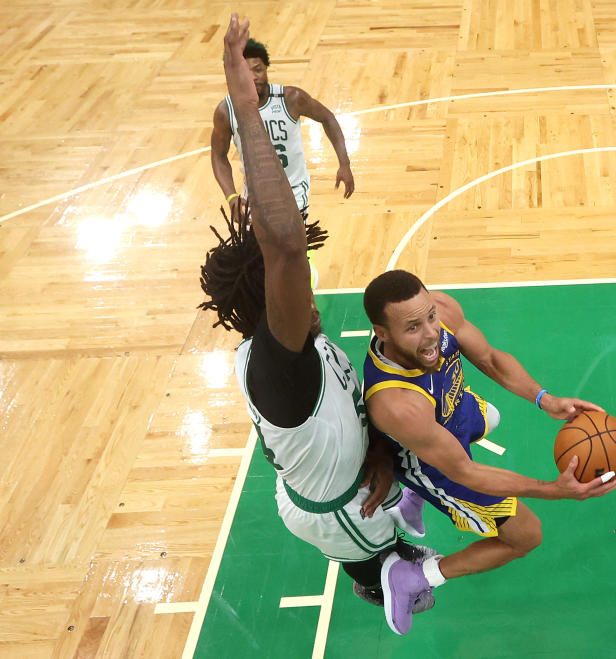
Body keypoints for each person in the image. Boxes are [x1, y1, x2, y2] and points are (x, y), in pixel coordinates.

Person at [199, 14, 431, 634]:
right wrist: (247, 109)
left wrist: (378, 448)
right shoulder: (282, 354)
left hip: (330, 478)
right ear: (273, 295)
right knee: (389, 558)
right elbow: (285, 250)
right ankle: (379, 578)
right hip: (340, 509)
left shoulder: (288, 339)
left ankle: (385, 539)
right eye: (286, 277)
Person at [361, 269, 616, 634]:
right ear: (382, 333)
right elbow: (463, 471)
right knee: (527, 535)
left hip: (451, 411)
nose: (431, 332)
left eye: (430, 317)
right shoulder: (396, 403)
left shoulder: (441, 312)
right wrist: (553, 490)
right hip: (431, 463)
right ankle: (415, 577)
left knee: (491, 418)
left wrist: (544, 399)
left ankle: (410, 507)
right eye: (413, 328)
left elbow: (492, 360)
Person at [211, 36, 355, 223]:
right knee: (258, 251)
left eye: (259, 70)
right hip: (255, 195)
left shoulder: (290, 99)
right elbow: (218, 155)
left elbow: (328, 118)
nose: (254, 77)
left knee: (291, 245)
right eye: (247, 72)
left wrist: (344, 164)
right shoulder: (226, 110)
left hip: (294, 190)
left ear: (266, 69)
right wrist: (231, 196)